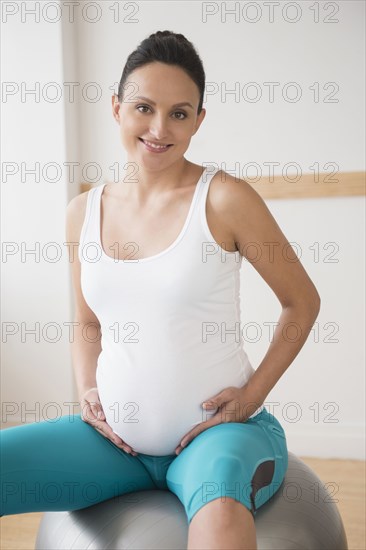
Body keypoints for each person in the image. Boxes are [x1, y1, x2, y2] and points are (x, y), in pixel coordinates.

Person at [1, 30, 321, 550]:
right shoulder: (82, 213)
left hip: (218, 438)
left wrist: (249, 399)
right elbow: (86, 323)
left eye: (179, 113)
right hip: (113, 446)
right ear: (116, 107)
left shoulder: (224, 199)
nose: (158, 128)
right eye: (143, 108)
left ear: (198, 120)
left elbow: (301, 302)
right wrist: (87, 392)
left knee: (219, 516)